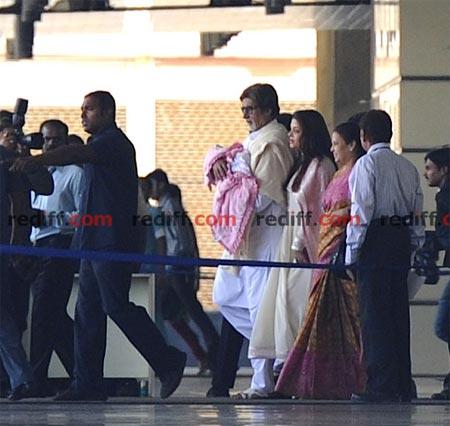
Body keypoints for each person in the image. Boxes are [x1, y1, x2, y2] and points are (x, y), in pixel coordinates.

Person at [11, 90, 186, 400]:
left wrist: (36, 160)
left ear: (107, 112)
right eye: (82, 109)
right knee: (87, 313)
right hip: (91, 242)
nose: (83, 114)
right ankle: (87, 384)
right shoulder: (97, 145)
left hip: (111, 242)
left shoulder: (113, 143)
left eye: (89, 109)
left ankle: (167, 359)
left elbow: (74, 155)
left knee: (115, 306)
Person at [206, 83, 293, 398]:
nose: (245, 115)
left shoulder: (274, 142)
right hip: (246, 235)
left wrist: (236, 172)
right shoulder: (255, 139)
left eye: (251, 109)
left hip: (267, 234)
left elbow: (264, 197)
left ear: (269, 110)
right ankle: (278, 354)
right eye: (242, 109)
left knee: (259, 306)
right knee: (227, 295)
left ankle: (263, 381)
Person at [275, 121, 366, 399]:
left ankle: (351, 380)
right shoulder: (339, 172)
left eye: (337, 144)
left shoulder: (355, 174)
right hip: (322, 253)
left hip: (338, 257)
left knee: (348, 322)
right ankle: (315, 380)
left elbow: (354, 215)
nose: (333, 149)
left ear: (352, 145)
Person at [346, 110, 424, 403]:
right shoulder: (408, 167)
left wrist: (352, 253)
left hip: (376, 240)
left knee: (374, 316)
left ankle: (380, 385)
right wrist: (415, 245)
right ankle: (403, 383)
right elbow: (417, 211)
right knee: (397, 315)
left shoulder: (366, 165)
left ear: (364, 137)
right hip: (400, 240)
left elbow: (361, 212)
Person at [249, 110, 336, 370]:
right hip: (289, 240)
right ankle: (287, 364)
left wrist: (300, 245)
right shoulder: (302, 165)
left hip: (307, 244)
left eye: (296, 131)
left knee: (299, 303)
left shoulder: (322, 167)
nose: (291, 135)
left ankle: (300, 365)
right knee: (283, 301)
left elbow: (319, 213)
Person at [27, 119, 84, 396]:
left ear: (65, 142)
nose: (50, 145)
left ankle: (36, 380)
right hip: (34, 247)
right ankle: (81, 373)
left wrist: (49, 217)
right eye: (46, 140)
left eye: (56, 140)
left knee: (42, 314)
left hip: (60, 245)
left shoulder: (75, 173)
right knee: (53, 318)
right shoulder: (36, 172)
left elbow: (85, 216)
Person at [144, 170, 219, 373]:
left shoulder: (169, 208)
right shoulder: (171, 207)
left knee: (190, 311)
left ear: (159, 184)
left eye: (151, 185)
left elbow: (176, 239)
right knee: (175, 312)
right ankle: (207, 354)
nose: (149, 191)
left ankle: (214, 352)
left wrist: (170, 266)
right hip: (179, 265)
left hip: (176, 267)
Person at [0, 140, 53, 400]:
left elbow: (22, 204)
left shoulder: (8, 161)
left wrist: (16, 245)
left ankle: (22, 377)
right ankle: (21, 377)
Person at [422, 147, 450, 400]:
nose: (426, 173)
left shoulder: (445, 197)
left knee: (444, 324)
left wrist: (433, 240)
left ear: (444, 170)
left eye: (430, 168)